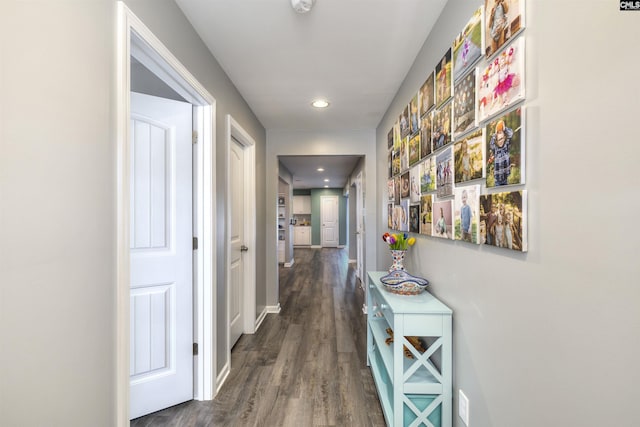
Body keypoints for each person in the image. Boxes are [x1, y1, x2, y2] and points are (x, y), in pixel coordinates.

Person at [489, 119, 514, 186]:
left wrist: (504, 128)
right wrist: (496, 133)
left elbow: (510, 134)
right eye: (498, 140)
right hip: (497, 178)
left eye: (501, 139)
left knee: (505, 186)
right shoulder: (496, 149)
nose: (500, 141)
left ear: (505, 137)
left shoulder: (506, 146)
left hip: (505, 176)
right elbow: (491, 144)